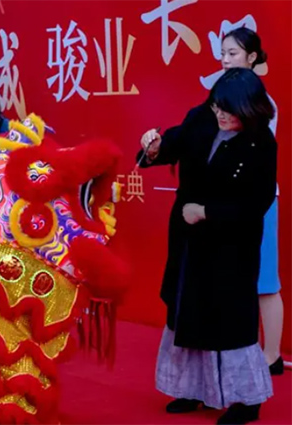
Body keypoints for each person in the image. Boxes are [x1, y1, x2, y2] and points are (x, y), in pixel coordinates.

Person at [138, 68, 276, 424]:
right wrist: (155, 148)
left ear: (250, 108)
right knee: (185, 310)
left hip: (231, 245)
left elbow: (257, 202)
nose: (221, 115)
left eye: (229, 111)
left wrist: (207, 212)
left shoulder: (261, 142)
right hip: (188, 239)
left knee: (230, 320)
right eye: (217, 107)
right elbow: (173, 142)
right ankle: (191, 388)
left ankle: (246, 400)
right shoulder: (202, 116)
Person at [219, 27, 284, 375]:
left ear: (252, 57)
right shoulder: (222, 99)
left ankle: (271, 356)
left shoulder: (262, 103)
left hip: (259, 202)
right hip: (229, 203)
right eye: (223, 53)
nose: (226, 60)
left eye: (233, 53)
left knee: (265, 282)